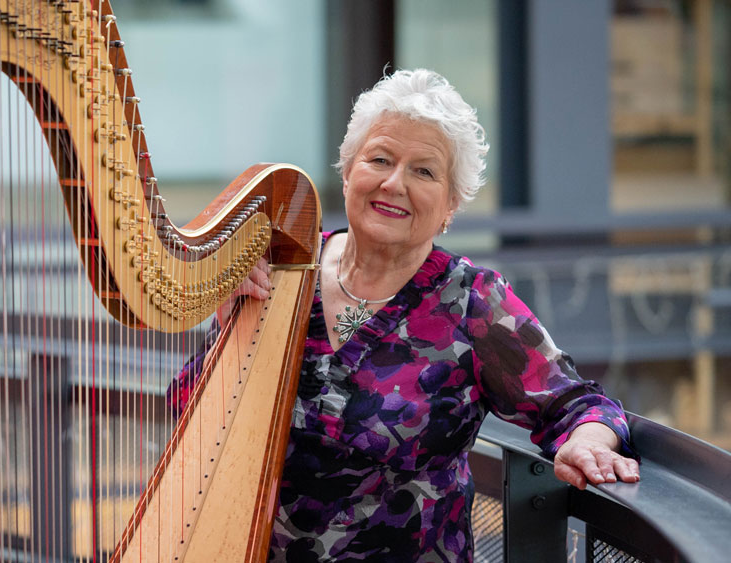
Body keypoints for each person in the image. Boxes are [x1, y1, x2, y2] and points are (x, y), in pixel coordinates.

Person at [168, 68, 639, 562]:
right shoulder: (286, 274)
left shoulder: (472, 302)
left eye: (424, 172)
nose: (394, 183)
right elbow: (189, 418)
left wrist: (587, 445)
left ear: (450, 207)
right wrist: (228, 322)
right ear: (348, 172)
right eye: (380, 159)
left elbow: (582, 404)